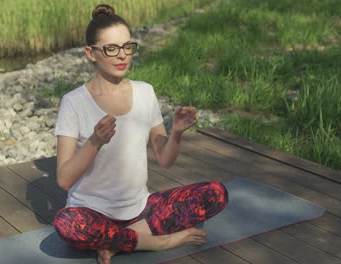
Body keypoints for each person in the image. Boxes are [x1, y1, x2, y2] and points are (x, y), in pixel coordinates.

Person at [53, 4, 228, 264]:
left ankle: (121, 240)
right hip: (92, 214)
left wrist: (176, 133)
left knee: (216, 192)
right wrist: (95, 142)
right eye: (111, 49)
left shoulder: (145, 92)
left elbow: (165, 159)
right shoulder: (73, 102)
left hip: (142, 210)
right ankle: (157, 242)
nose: (122, 55)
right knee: (67, 224)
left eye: (127, 46)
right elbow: (64, 180)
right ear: (90, 53)